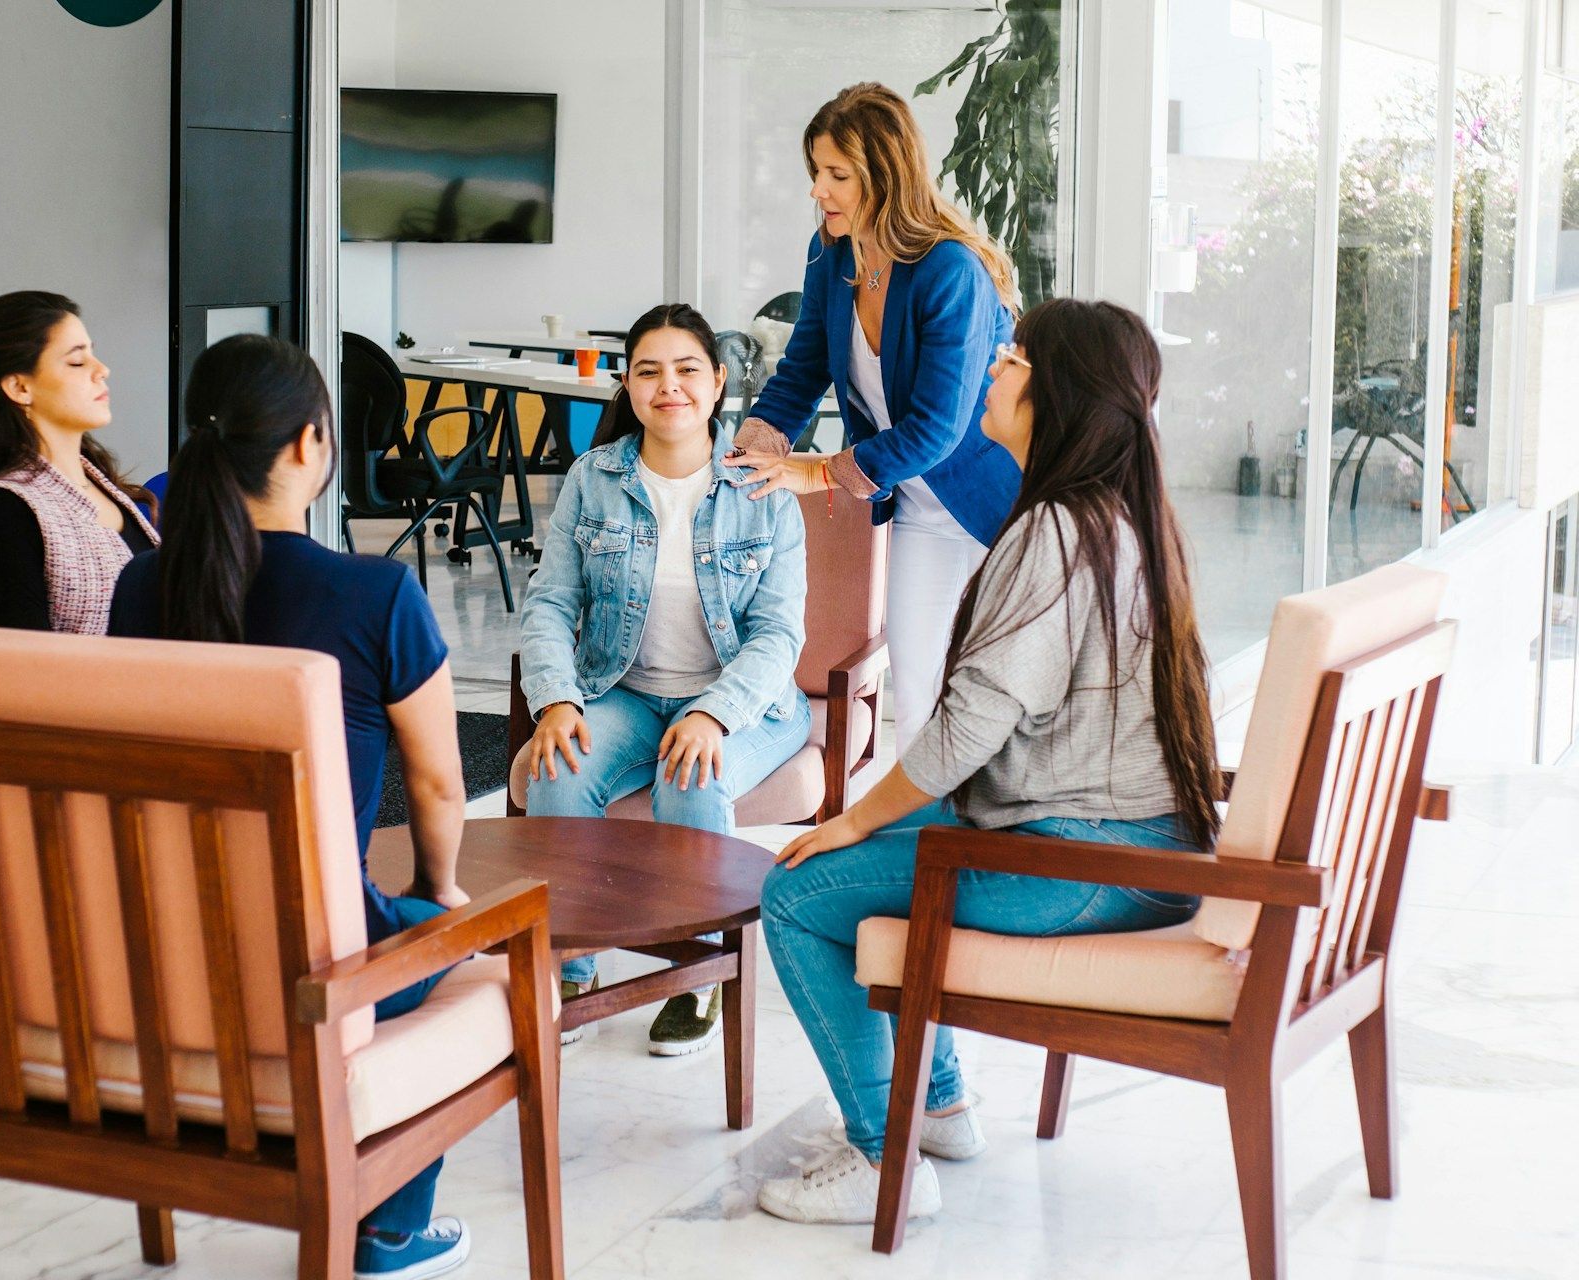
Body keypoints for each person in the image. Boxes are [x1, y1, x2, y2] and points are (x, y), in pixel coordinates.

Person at [754, 299, 1223, 1226]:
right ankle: (939, 1107)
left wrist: (851, 816)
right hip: (1130, 848)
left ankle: (885, 1159)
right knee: (872, 848)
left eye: (1012, 361)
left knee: (799, 894)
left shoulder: (1056, 528)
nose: (994, 371)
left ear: (1058, 395)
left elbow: (970, 725)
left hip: (1088, 861)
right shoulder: (1122, 517)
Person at [107, 335, 472, 1280]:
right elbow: (437, 784)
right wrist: (439, 893)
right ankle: (389, 1227)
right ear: (310, 446)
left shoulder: (141, 588)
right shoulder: (375, 593)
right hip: (314, 965)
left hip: (160, 951)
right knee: (475, 952)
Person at [520, 304, 810, 1056]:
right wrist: (554, 699)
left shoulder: (763, 487)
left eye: (687, 370)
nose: (668, 387)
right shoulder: (595, 478)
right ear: (628, 382)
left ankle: (699, 970)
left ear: (718, 383)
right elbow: (549, 602)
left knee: (691, 775)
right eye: (649, 371)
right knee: (560, 764)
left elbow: (780, 633)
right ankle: (570, 965)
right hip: (627, 691)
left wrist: (713, 715)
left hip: (749, 705)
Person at [727, 82, 1022, 756]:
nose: (818, 190)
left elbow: (936, 428)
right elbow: (804, 366)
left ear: (883, 177)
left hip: (996, 512)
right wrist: (757, 439)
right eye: (815, 173)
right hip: (919, 512)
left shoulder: (950, 271)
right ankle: (929, 846)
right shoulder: (832, 254)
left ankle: (999, 843)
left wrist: (817, 472)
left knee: (994, 697)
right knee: (919, 694)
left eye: (836, 175)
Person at [0, 290, 158, 633]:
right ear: (20, 387)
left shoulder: (100, 484)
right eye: (77, 361)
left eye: (94, 354)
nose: (102, 370)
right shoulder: (4, 508)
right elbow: (26, 670)